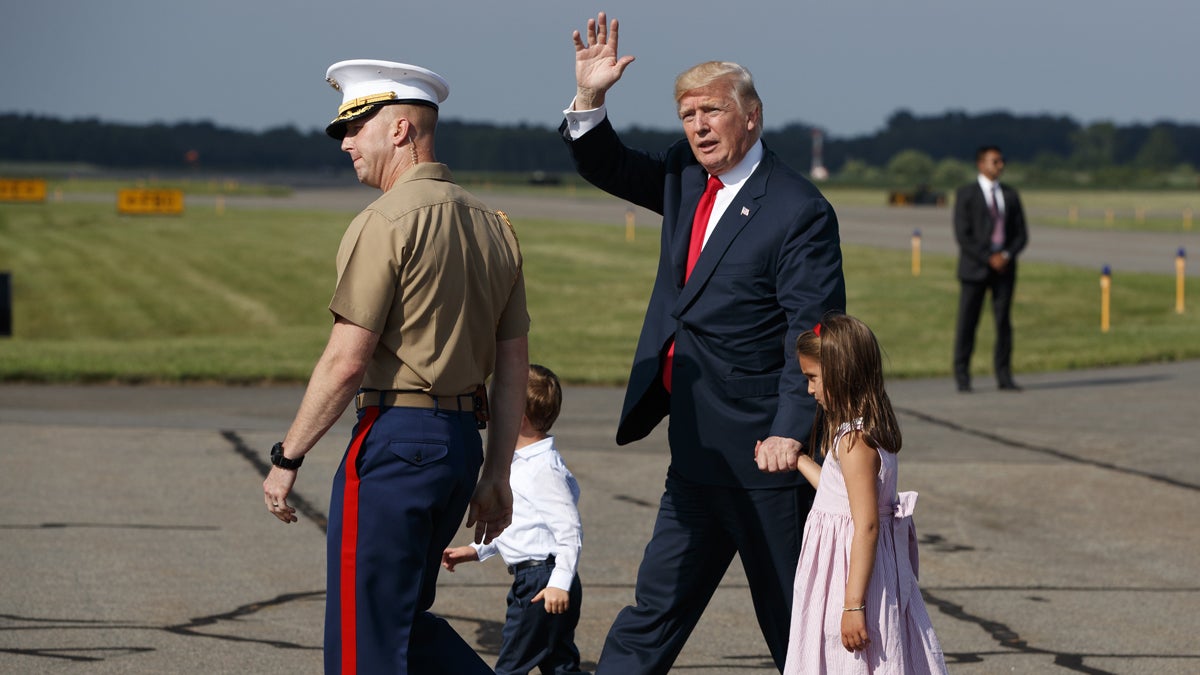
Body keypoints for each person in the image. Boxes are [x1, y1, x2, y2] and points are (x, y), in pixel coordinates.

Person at [560, 13, 846, 673]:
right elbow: (606, 163)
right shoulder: (685, 176)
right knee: (653, 611)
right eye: (687, 114)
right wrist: (591, 98)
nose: (698, 125)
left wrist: (789, 431)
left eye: (712, 110)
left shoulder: (797, 210)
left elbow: (812, 333)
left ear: (752, 116)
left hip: (765, 460)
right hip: (694, 448)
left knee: (797, 623)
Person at [260, 59, 530, 675]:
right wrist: (496, 472)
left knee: (363, 638)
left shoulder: (383, 221)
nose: (347, 141)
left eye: (357, 126)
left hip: (397, 439)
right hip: (461, 445)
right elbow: (514, 366)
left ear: (402, 130)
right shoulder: (497, 228)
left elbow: (347, 359)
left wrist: (288, 457)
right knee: (401, 620)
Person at [785, 313, 948, 674]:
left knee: (853, 658)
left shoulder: (855, 442)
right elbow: (837, 496)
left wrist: (854, 604)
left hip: (850, 573)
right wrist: (799, 461)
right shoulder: (858, 433)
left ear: (841, 375)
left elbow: (867, 525)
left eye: (813, 378)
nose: (809, 389)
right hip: (849, 569)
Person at [442, 364, 589, 675]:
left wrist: (559, 584)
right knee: (559, 664)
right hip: (540, 577)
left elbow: (569, 531)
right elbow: (526, 526)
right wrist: (477, 550)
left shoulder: (543, 469)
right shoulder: (523, 463)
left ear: (518, 418)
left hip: (543, 582)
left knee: (511, 666)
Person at [953, 145, 1029, 393]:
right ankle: (963, 375)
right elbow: (963, 235)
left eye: (1001, 161)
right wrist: (988, 257)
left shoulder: (1010, 195)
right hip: (974, 269)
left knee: (1003, 322)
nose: (1000, 165)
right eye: (995, 161)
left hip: (1004, 270)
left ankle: (1004, 375)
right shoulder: (966, 194)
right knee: (968, 322)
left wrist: (1005, 255)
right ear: (981, 164)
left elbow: (1021, 234)